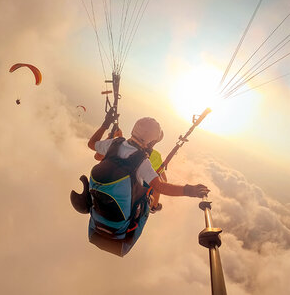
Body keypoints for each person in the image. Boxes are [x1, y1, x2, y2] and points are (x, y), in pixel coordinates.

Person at [71, 109, 210, 257]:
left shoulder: (113, 144)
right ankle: (149, 210)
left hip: (96, 221)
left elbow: (91, 144)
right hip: (120, 233)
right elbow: (160, 186)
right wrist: (190, 190)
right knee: (146, 196)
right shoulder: (142, 162)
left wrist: (105, 124)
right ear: (151, 142)